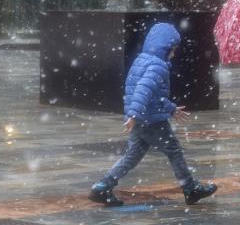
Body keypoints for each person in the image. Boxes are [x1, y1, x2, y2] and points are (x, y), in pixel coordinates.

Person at [89, 22, 217, 207]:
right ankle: (190, 189)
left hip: (142, 119)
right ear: (165, 48)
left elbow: (154, 96)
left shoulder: (142, 60)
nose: (174, 53)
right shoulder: (158, 66)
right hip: (151, 120)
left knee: (132, 155)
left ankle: (102, 186)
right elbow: (143, 90)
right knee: (174, 151)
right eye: (173, 49)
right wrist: (134, 115)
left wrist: (170, 109)